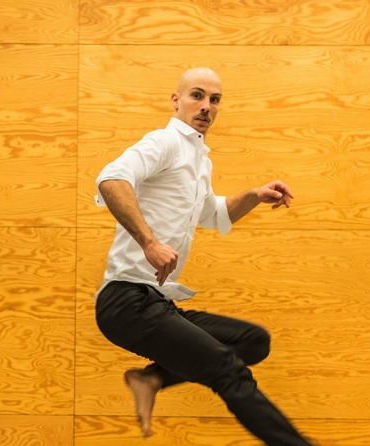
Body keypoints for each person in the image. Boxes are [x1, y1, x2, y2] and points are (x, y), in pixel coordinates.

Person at [93, 68, 313, 446]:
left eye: (215, 100)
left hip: (154, 301)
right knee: (228, 371)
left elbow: (213, 213)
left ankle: (152, 377)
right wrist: (149, 242)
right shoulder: (164, 142)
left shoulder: (198, 160)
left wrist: (254, 195)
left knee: (252, 341)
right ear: (176, 100)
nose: (206, 106)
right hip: (126, 302)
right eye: (197, 96)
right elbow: (111, 179)